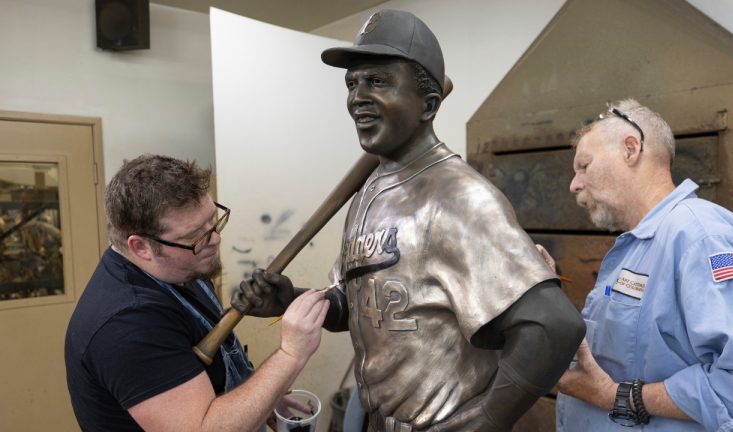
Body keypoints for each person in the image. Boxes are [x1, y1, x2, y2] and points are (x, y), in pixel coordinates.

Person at [232, 9, 585, 432]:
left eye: (377, 81)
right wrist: (291, 299)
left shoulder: (459, 196)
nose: (357, 97)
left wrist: (486, 420)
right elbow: (360, 307)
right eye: (352, 84)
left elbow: (554, 326)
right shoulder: (369, 193)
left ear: (429, 104)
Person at [64, 154, 330, 432]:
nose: (216, 239)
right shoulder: (126, 325)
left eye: (213, 221)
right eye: (196, 237)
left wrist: (263, 400)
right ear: (141, 247)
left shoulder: (178, 267)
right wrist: (291, 354)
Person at [554, 99, 733, 431]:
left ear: (630, 149)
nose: (575, 185)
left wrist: (618, 397)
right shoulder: (635, 245)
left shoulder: (700, 237)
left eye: (585, 165)